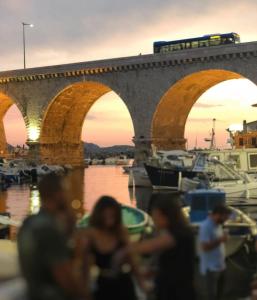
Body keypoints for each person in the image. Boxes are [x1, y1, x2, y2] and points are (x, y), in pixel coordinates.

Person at [17, 173, 88, 300]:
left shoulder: (27, 223)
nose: (69, 196)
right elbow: (65, 279)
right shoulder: (49, 230)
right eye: (66, 191)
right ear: (58, 194)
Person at [132, 193, 196, 300]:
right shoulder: (175, 232)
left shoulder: (178, 234)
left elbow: (148, 247)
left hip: (177, 292)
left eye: (156, 216)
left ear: (166, 215)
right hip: (170, 289)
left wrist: (122, 248)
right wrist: (152, 272)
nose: (154, 220)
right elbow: (172, 265)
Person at [86, 196, 138, 300]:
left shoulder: (121, 232)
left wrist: (143, 286)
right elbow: (84, 267)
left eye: (112, 215)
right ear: (99, 215)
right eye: (106, 214)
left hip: (124, 285)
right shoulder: (91, 235)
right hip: (103, 285)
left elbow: (133, 263)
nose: (110, 217)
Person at [199, 205, 231, 300]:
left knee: (220, 294)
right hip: (211, 268)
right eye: (225, 217)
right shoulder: (206, 226)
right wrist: (220, 240)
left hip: (220, 266)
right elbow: (204, 247)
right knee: (212, 295)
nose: (226, 220)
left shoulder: (218, 225)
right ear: (218, 215)